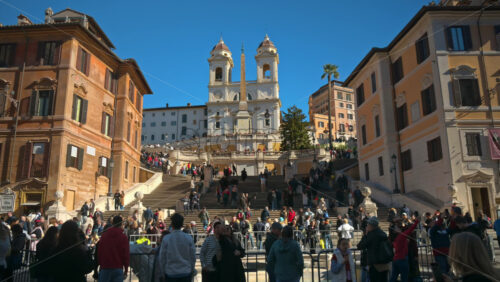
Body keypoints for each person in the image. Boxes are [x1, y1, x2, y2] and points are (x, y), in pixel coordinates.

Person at [160, 213, 196, 282]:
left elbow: (162, 257)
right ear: (182, 224)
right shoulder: (188, 238)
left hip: (171, 272)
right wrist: (191, 269)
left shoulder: (166, 238)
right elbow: (193, 256)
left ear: (172, 224)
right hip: (185, 272)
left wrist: (163, 272)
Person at [357, 217, 392, 282]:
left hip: (375, 265)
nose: (367, 226)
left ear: (371, 225)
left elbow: (360, 246)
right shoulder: (382, 233)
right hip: (384, 264)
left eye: (368, 225)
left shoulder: (371, 235)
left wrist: (365, 235)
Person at [97, 216, 130, 281]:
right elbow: (126, 254)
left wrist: (101, 264)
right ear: (121, 224)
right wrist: (126, 269)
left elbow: (99, 251)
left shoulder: (104, 236)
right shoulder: (123, 237)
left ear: (113, 223)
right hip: (118, 267)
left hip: (105, 267)